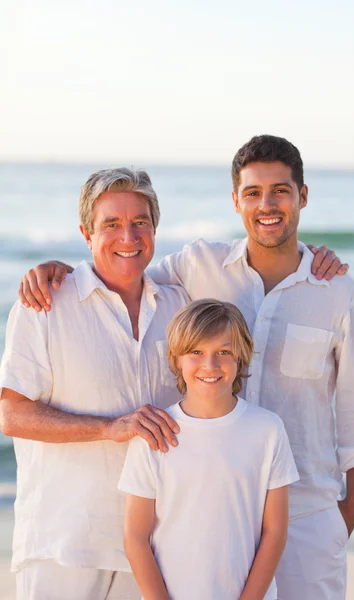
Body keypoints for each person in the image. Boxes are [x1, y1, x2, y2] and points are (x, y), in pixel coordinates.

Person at [16, 135, 354, 600]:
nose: (267, 204)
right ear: (235, 201)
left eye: (281, 191)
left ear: (302, 196)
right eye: (253, 192)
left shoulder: (332, 290)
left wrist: (339, 527)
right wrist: (61, 271)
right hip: (146, 534)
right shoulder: (193, 268)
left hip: (287, 521)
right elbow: (121, 269)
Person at [0, 168, 189, 600]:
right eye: (111, 224)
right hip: (65, 545)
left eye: (140, 222)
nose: (129, 236)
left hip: (154, 549)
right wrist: (109, 428)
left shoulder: (180, 306)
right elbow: (11, 415)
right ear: (87, 234)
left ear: (155, 229)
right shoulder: (44, 304)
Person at [119, 299, 299, 600]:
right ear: (177, 359)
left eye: (224, 352)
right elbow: (135, 538)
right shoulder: (153, 435)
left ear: (241, 356)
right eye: (196, 352)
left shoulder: (268, 430)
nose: (210, 365)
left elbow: (275, 532)